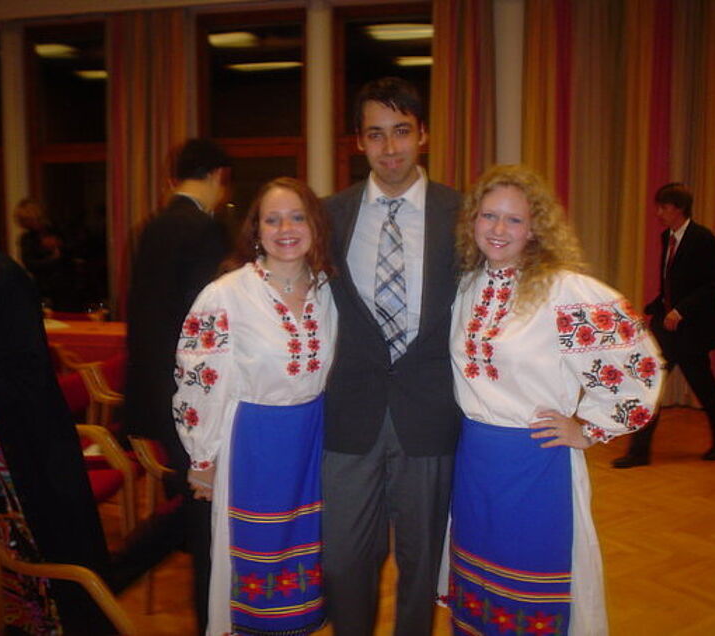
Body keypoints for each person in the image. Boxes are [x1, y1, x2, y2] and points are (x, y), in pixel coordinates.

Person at [444, 165, 664, 635]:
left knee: (535, 590)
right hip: (474, 461)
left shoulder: (565, 292)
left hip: (535, 463)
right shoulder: (466, 285)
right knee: (481, 588)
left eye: (514, 220)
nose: (499, 229)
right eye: (489, 216)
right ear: (473, 221)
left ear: (535, 229)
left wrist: (589, 428)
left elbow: (639, 365)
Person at [322, 77, 462, 635]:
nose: (390, 148)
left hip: (429, 414)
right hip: (349, 414)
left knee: (421, 564)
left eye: (402, 131)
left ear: (423, 134)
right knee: (342, 560)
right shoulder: (329, 215)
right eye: (376, 135)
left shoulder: (464, 214)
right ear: (359, 142)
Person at [173, 177, 336, 636]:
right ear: (256, 229)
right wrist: (201, 456)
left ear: (315, 225)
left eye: (297, 216)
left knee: (308, 567)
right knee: (254, 565)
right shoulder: (225, 295)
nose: (286, 228)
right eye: (273, 218)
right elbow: (196, 379)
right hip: (254, 445)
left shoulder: (328, 291)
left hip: (313, 445)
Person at [0, 172, 111, 633]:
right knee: (4, 588)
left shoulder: (5, 281)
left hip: (28, 465)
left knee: (51, 597)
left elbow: (22, 387)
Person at [122, 138, 232, 630]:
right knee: (203, 512)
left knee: (194, 507)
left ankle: (108, 574)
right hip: (188, 398)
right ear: (217, 175)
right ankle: (208, 616)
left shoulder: (152, 227)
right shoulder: (203, 231)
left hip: (152, 390)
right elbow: (205, 326)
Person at [612, 182, 715, 468]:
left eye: (663, 207)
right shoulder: (666, 237)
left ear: (678, 209)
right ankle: (639, 452)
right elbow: (671, 285)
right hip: (667, 331)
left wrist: (680, 310)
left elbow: (713, 285)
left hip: (692, 332)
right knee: (649, 384)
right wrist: (653, 308)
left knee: (705, 389)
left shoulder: (704, 239)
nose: (658, 213)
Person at [13, 197, 76, 310]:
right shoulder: (27, 239)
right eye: (23, 220)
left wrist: (59, 245)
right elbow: (30, 264)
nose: (27, 223)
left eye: (28, 219)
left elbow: (74, 251)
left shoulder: (58, 230)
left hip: (68, 286)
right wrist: (53, 259)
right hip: (44, 287)